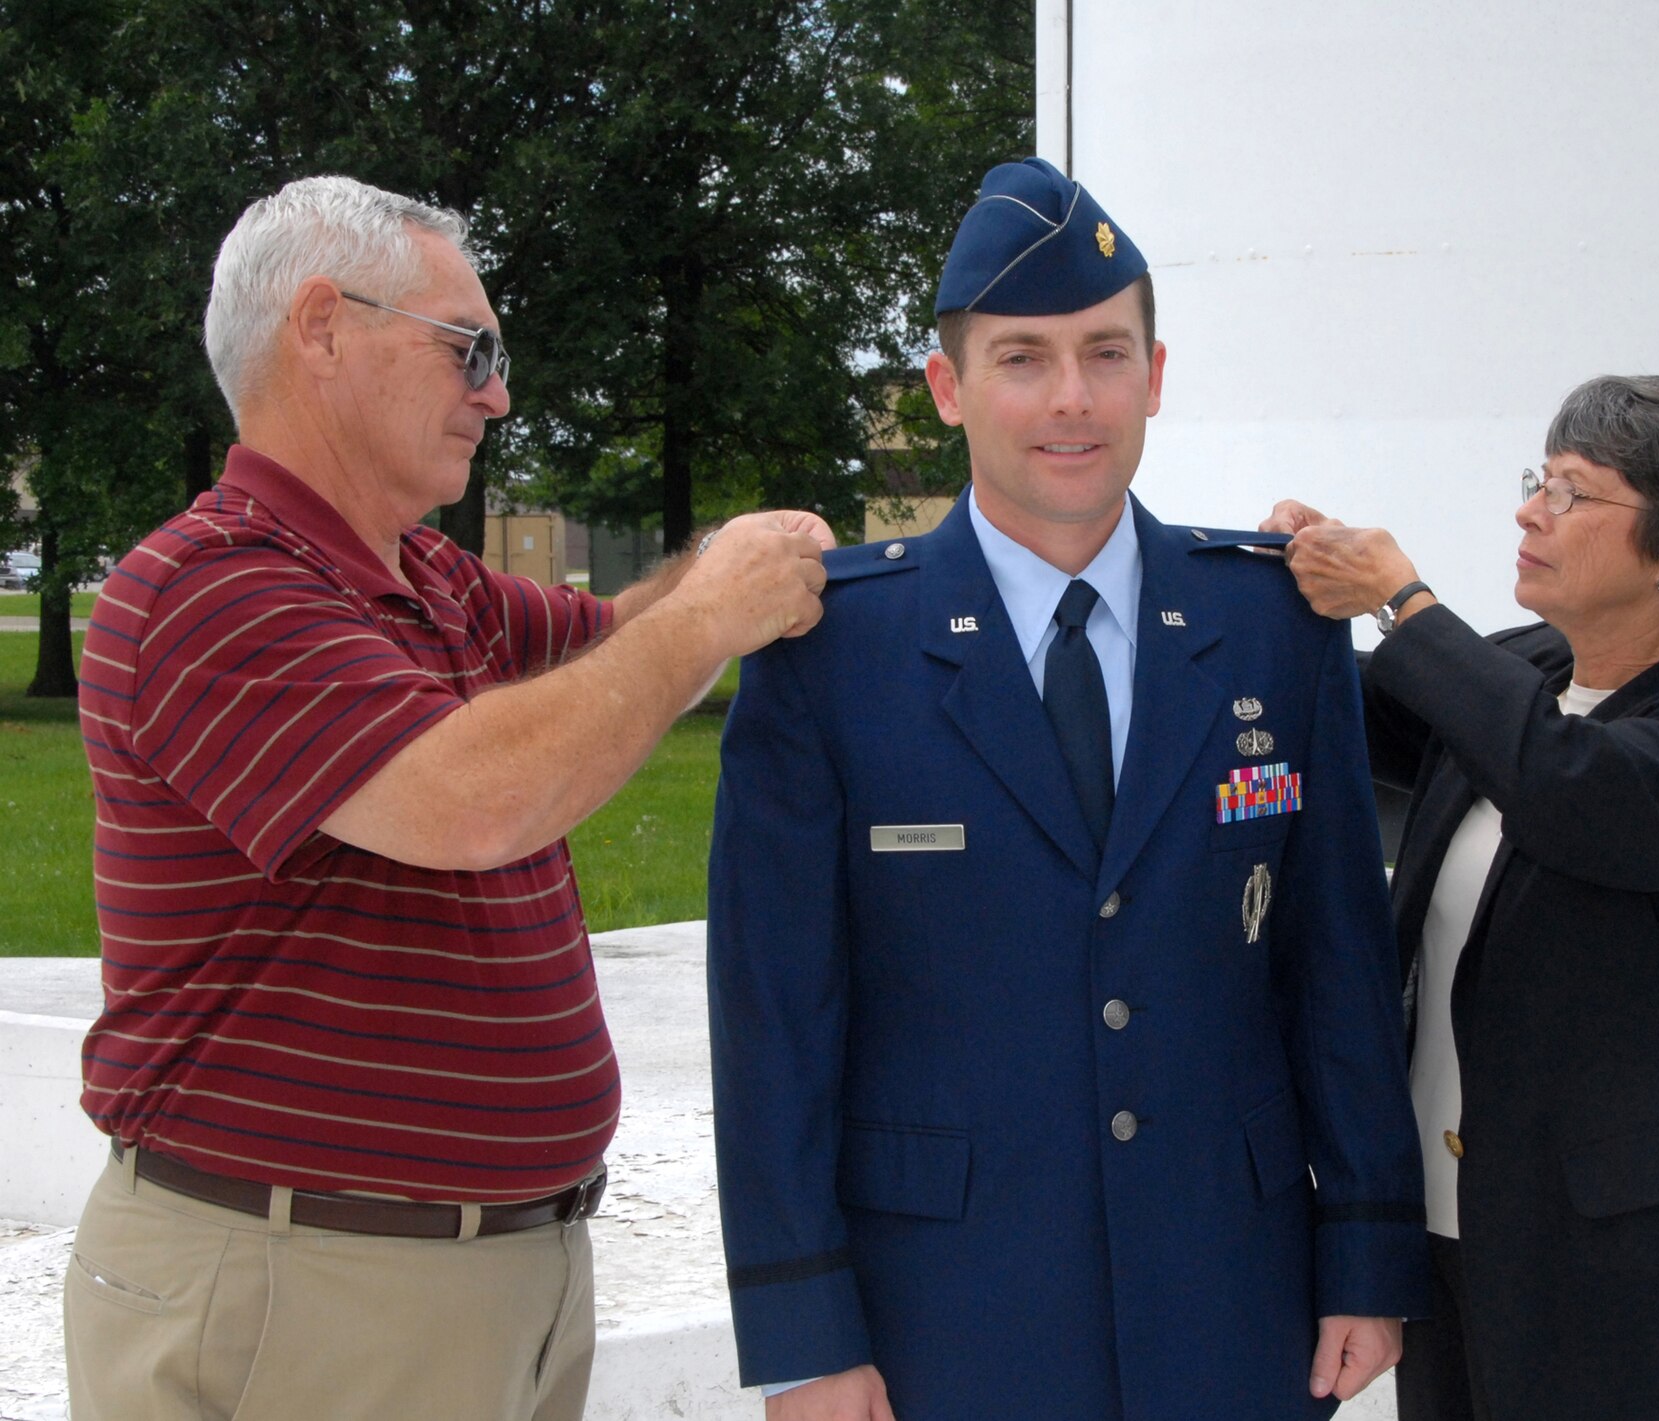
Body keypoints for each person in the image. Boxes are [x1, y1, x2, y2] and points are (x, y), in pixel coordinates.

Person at [65, 175, 832, 1421]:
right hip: (309, 1290)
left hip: (462, 1279)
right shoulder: (213, 592)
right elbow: (474, 797)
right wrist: (709, 615)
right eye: (468, 347)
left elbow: (605, 646)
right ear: (320, 327)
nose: (498, 391)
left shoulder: (423, 576)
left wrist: (746, 560)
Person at [706, 156, 1428, 1421]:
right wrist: (803, 1332)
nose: (1070, 398)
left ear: (1154, 376)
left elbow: (1336, 968)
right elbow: (773, 1022)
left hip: (1231, 1294)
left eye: (1104, 352)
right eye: (1022, 357)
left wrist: (1366, 1248)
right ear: (947, 386)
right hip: (947, 1305)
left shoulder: (1273, 621)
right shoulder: (830, 648)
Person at [1264, 374, 1659, 1421]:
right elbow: (1324, 706)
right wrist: (1283, 583)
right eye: (1538, 480)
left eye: (1571, 492)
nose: (1529, 510)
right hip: (1448, 1223)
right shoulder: (1521, 674)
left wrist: (1403, 601)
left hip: (1621, 1240)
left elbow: (1573, 788)